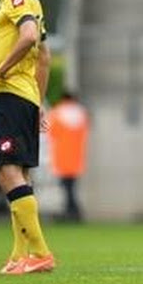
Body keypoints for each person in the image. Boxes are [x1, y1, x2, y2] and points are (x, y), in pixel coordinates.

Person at [0, 0, 55, 275]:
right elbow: (44, 55)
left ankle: (40, 253)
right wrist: (39, 102)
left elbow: (28, 37)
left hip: (9, 93)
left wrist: (0, 71)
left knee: (6, 172)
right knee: (19, 174)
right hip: (25, 95)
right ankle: (19, 255)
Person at [45, 91, 90, 221]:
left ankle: (72, 212)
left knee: (67, 187)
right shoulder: (81, 113)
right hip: (77, 157)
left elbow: (50, 133)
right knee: (71, 186)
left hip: (61, 156)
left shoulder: (56, 113)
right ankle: (72, 211)